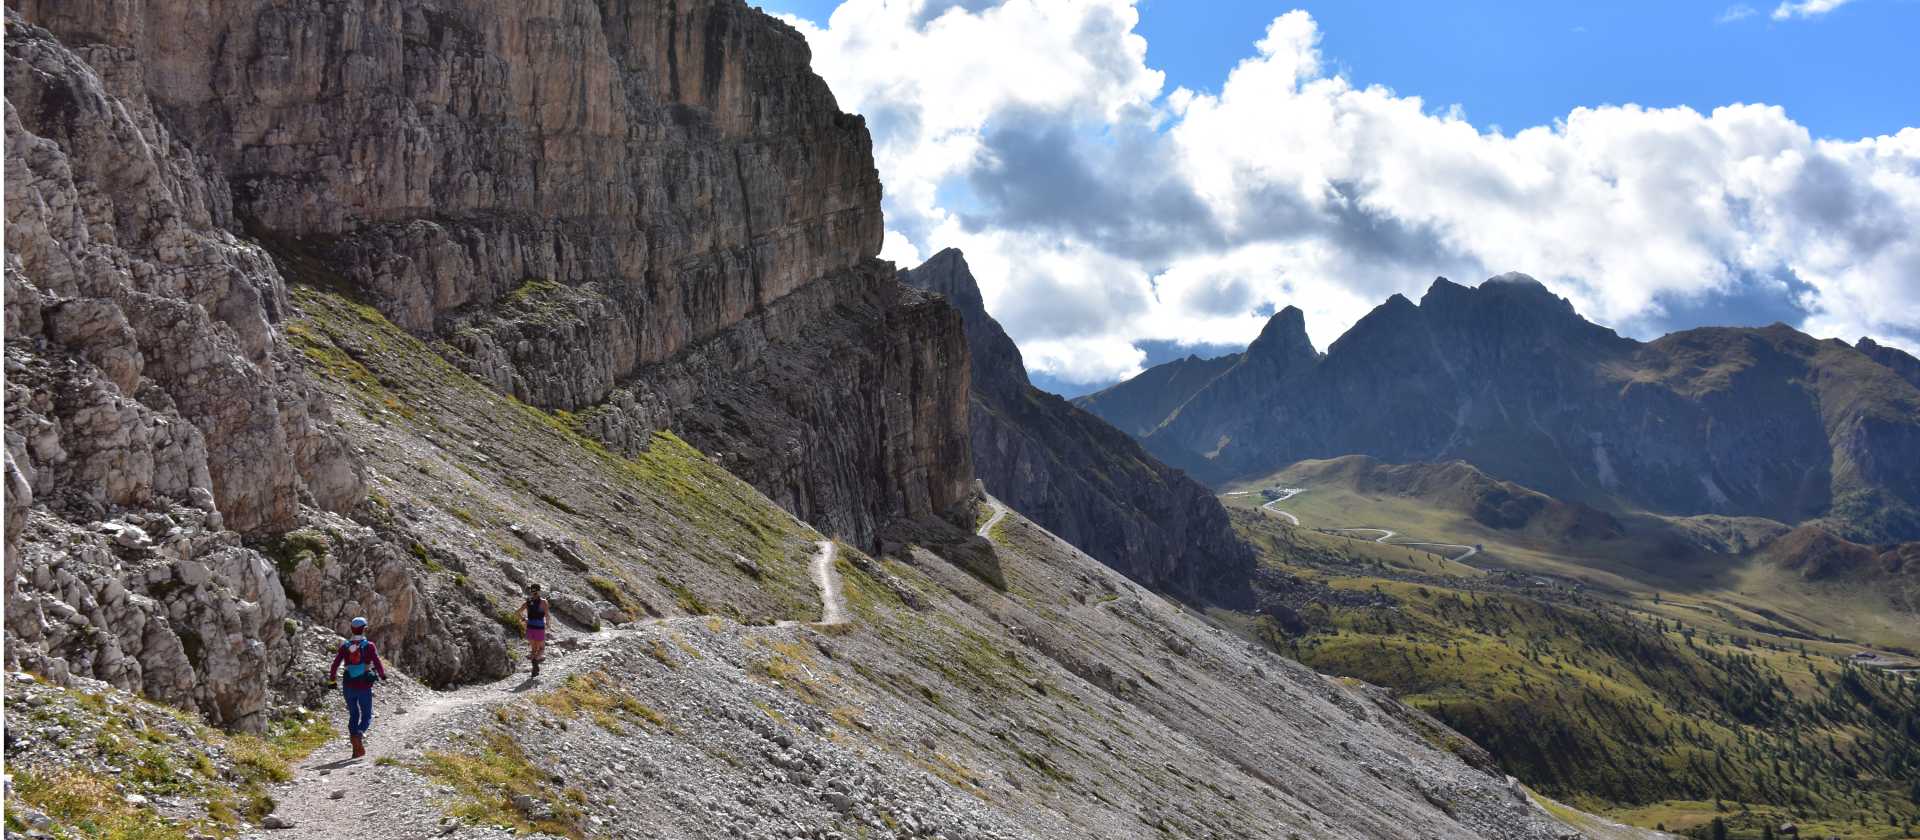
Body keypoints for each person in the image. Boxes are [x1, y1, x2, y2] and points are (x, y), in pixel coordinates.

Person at [326, 617, 387, 758]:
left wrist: (332, 681)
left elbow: (334, 665)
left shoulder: (345, 646)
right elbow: (377, 662)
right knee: (366, 714)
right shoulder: (369, 645)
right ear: (364, 629)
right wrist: (383, 676)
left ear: (352, 629)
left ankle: (355, 748)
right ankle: (359, 734)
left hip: (348, 684)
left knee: (354, 714)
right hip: (364, 684)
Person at [516, 584, 550, 676]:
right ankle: (535, 661)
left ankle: (534, 670)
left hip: (530, 627)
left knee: (534, 649)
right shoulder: (544, 602)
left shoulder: (528, 602)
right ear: (539, 591)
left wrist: (524, 620)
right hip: (539, 627)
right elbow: (547, 615)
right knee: (542, 648)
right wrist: (548, 625)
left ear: (531, 591)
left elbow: (517, 612)